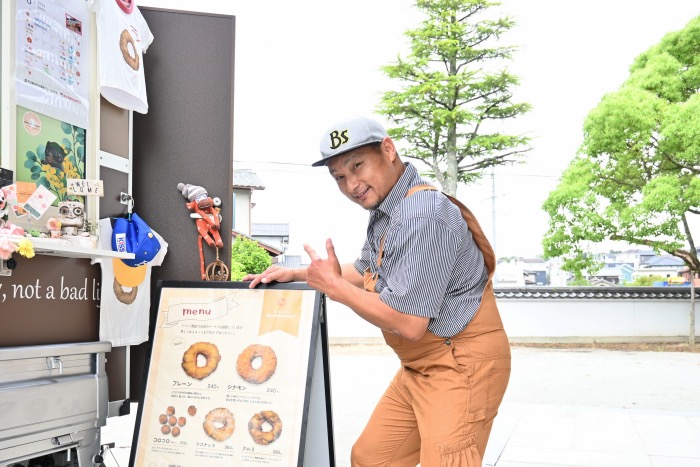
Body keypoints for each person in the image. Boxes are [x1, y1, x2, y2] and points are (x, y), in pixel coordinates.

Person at [243, 115, 511, 466]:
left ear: (388, 150)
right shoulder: (389, 210)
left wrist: (336, 288)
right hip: (420, 366)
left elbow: (410, 323)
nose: (352, 184)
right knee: (372, 458)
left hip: (460, 364)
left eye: (358, 166)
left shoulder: (423, 214)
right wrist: (298, 273)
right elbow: (366, 270)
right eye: (339, 177)